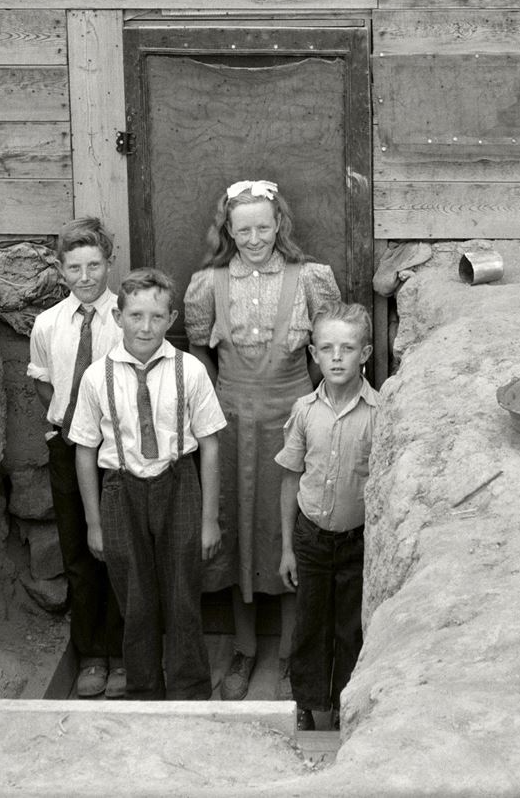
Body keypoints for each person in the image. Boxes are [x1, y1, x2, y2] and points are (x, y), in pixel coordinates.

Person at [184, 179, 343, 700]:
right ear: (227, 229)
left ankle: (292, 654)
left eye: (263, 226)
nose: (254, 238)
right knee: (236, 525)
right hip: (231, 421)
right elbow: (198, 352)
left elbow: (330, 346)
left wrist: (309, 404)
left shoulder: (311, 279)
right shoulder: (208, 283)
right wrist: (226, 391)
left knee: (291, 526)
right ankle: (245, 649)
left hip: (294, 415)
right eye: (242, 228)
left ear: (280, 226)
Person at [69, 268, 226, 703]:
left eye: (157, 316)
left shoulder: (190, 370)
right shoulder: (96, 377)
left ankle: (189, 692)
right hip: (120, 490)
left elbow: (210, 446)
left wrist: (209, 521)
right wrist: (93, 524)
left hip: (178, 485)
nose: (145, 326)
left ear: (172, 317)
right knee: (135, 603)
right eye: (135, 315)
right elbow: (84, 451)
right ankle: (143, 692)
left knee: (182, 598)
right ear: (118, 317)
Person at [25, 217, 124, 698]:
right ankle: (91, 655)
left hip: (119, 452)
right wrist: (65, 419)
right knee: (82, 554)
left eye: (94, 265)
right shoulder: (48, 324)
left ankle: (127, 653)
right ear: (61, 271)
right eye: (75, 268)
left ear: (109, 264)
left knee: (123, 552)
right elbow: (44, 379)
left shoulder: (127, 318)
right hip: (68, 447)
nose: (86, 276)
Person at [277, 302, 379, 731]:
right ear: (313, 354)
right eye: (327, 348)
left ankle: (342, 704)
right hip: (311, 537)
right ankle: (307, 702)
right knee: (310, 623)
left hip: (358, 540)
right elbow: (289, 479)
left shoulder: (379, 414)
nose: (337, 357)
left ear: (366, 354)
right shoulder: (305, 411)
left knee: (349, 627)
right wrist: (287, 548)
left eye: (348, 348)